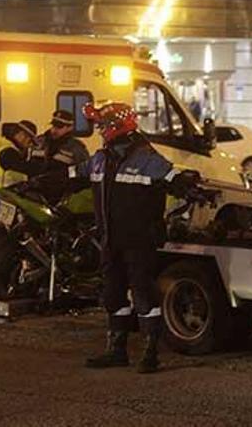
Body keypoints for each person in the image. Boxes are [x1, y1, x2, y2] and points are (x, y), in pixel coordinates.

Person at [66, 102, 199, 374]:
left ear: (117, 126)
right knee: (113, 295)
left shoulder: (147, 158)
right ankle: (117, 350)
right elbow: (73, 174)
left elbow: (175, 178)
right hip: (110, 241)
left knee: (144, 295)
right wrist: (36, 182)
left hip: (139, 241)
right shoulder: (102, 158)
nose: (99, 130)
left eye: (103, 125)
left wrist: (190, 188)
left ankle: (151, 352)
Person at [0, 120, 40, 301]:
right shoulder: (8, 152)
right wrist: (40, 157)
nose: (30, 144)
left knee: (1, 251)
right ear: (20, 135)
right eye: (29, 140)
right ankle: (2, 290)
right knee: (2, 251)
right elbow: (30, 169)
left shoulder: (5, 149)